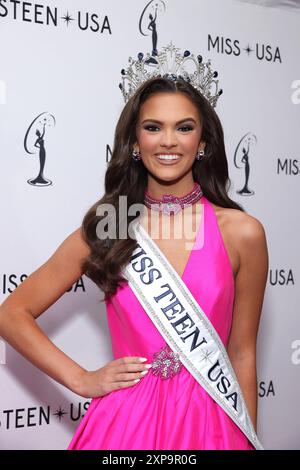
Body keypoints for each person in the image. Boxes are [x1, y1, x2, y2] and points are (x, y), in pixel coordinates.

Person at [0, 71, 268, 450]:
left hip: (213, 422)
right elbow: (11, 313)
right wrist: (81, 379)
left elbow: (242, 352)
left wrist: (247, 436)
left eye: (185, 127)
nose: (169, 141)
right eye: (154, 127)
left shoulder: (243, 232)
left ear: (203, 141)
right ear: (136, 143)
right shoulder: (111, 226)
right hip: (126, 425)